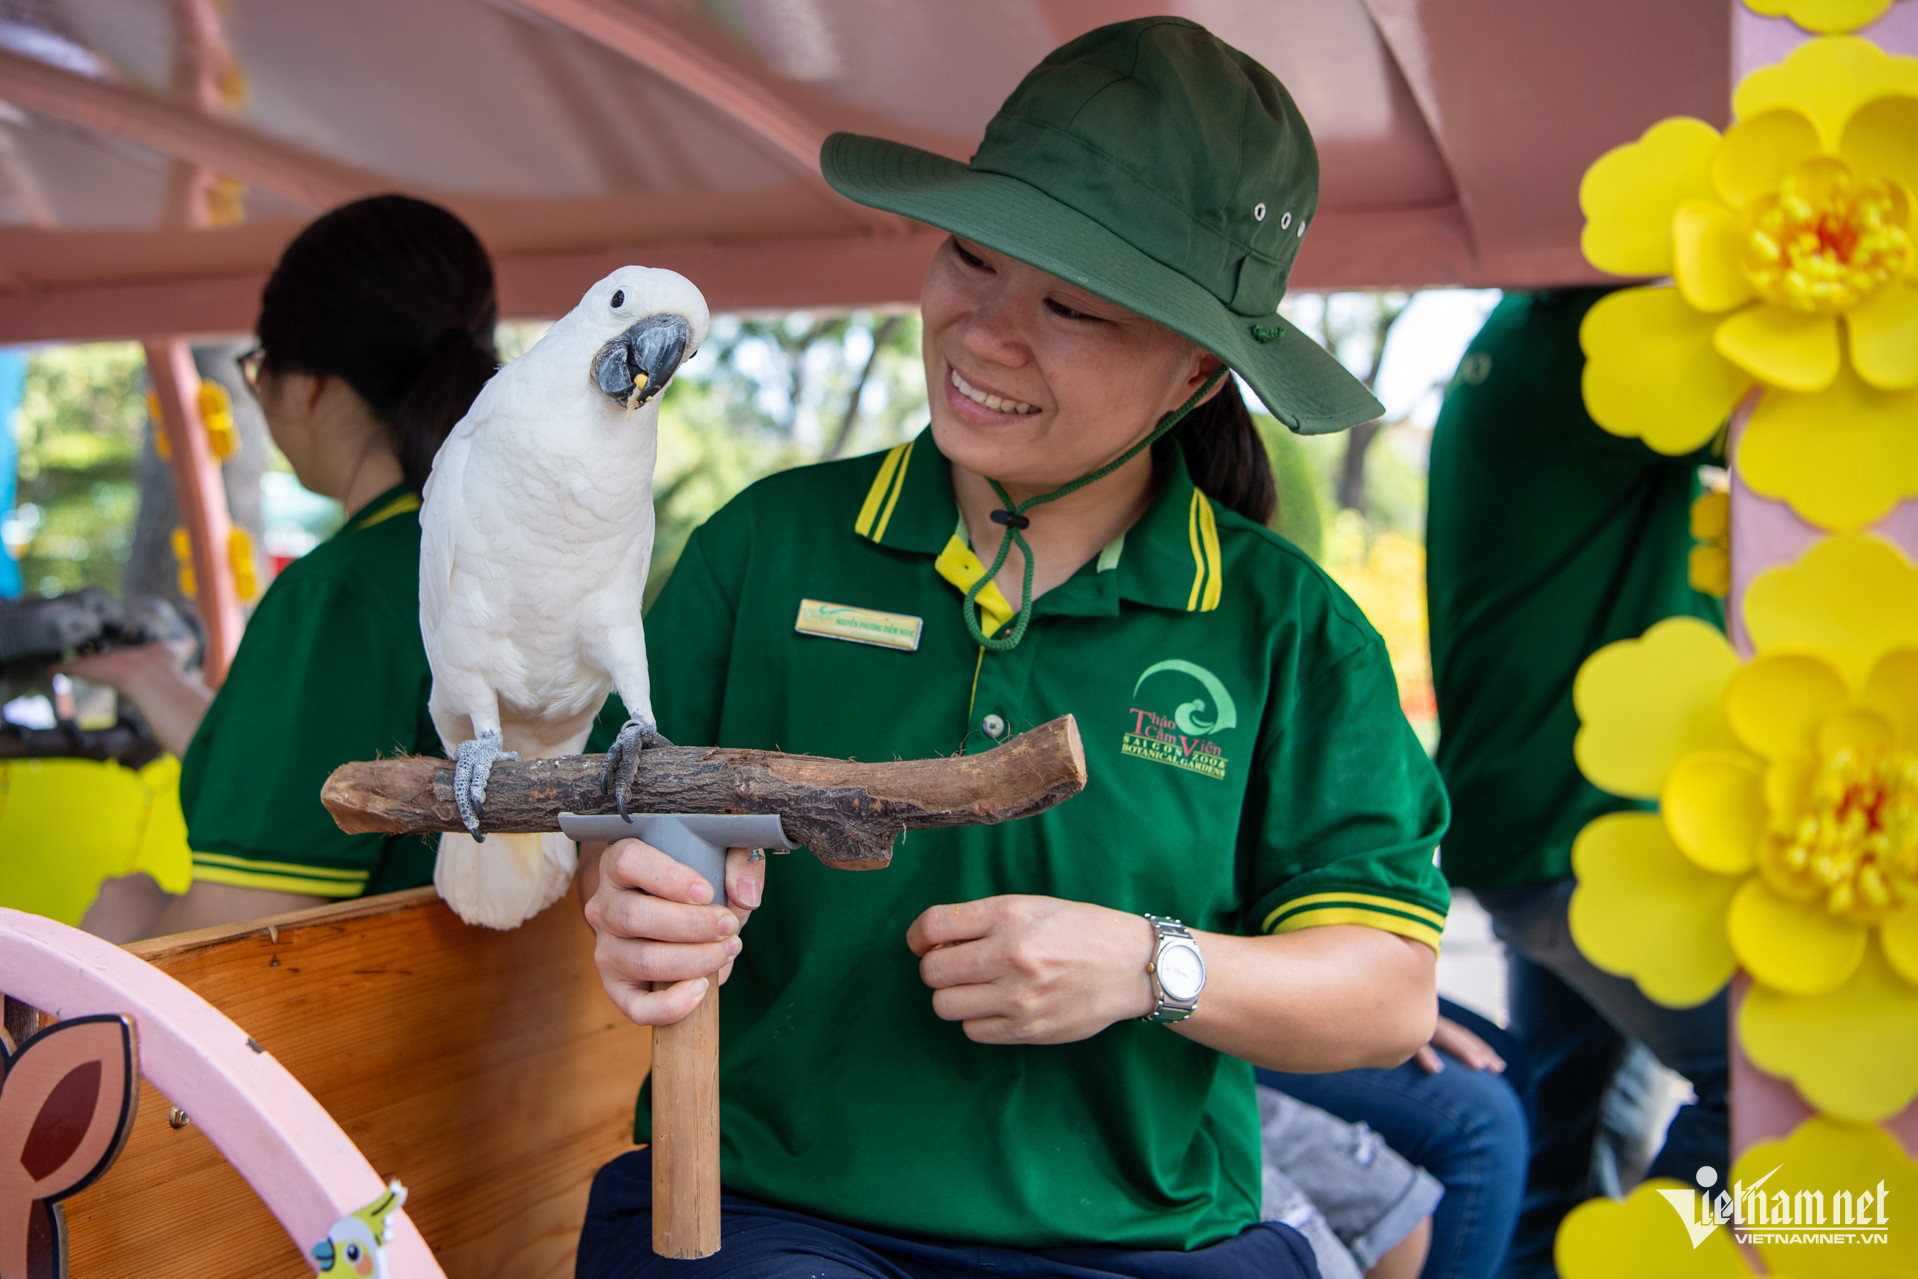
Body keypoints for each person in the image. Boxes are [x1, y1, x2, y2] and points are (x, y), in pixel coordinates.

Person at [575, 19, 1451, 1278]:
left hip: (1142, 1245)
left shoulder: (1288, 629)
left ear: (1195, 375)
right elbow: (620, 831)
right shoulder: (766, 548)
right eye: (971, 258)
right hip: (772, 1215)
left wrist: (1147, 965)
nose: (983, 334)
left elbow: (1386, 992)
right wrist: (635, 900)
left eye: (1071, 307)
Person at [74, 194, 499, 941]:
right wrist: (149, 677)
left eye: (257, 365)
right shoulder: (496, 559)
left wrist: (124, 920)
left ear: (307, 386)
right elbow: (308, 775)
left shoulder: (340, 596)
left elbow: (239, 941)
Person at [1423, 288, 1728, 1277]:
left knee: (1560, 1163)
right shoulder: (1609, 343)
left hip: (1545, 823)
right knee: (1775, 1098)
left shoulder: (1522, 334)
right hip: (1589, 827)